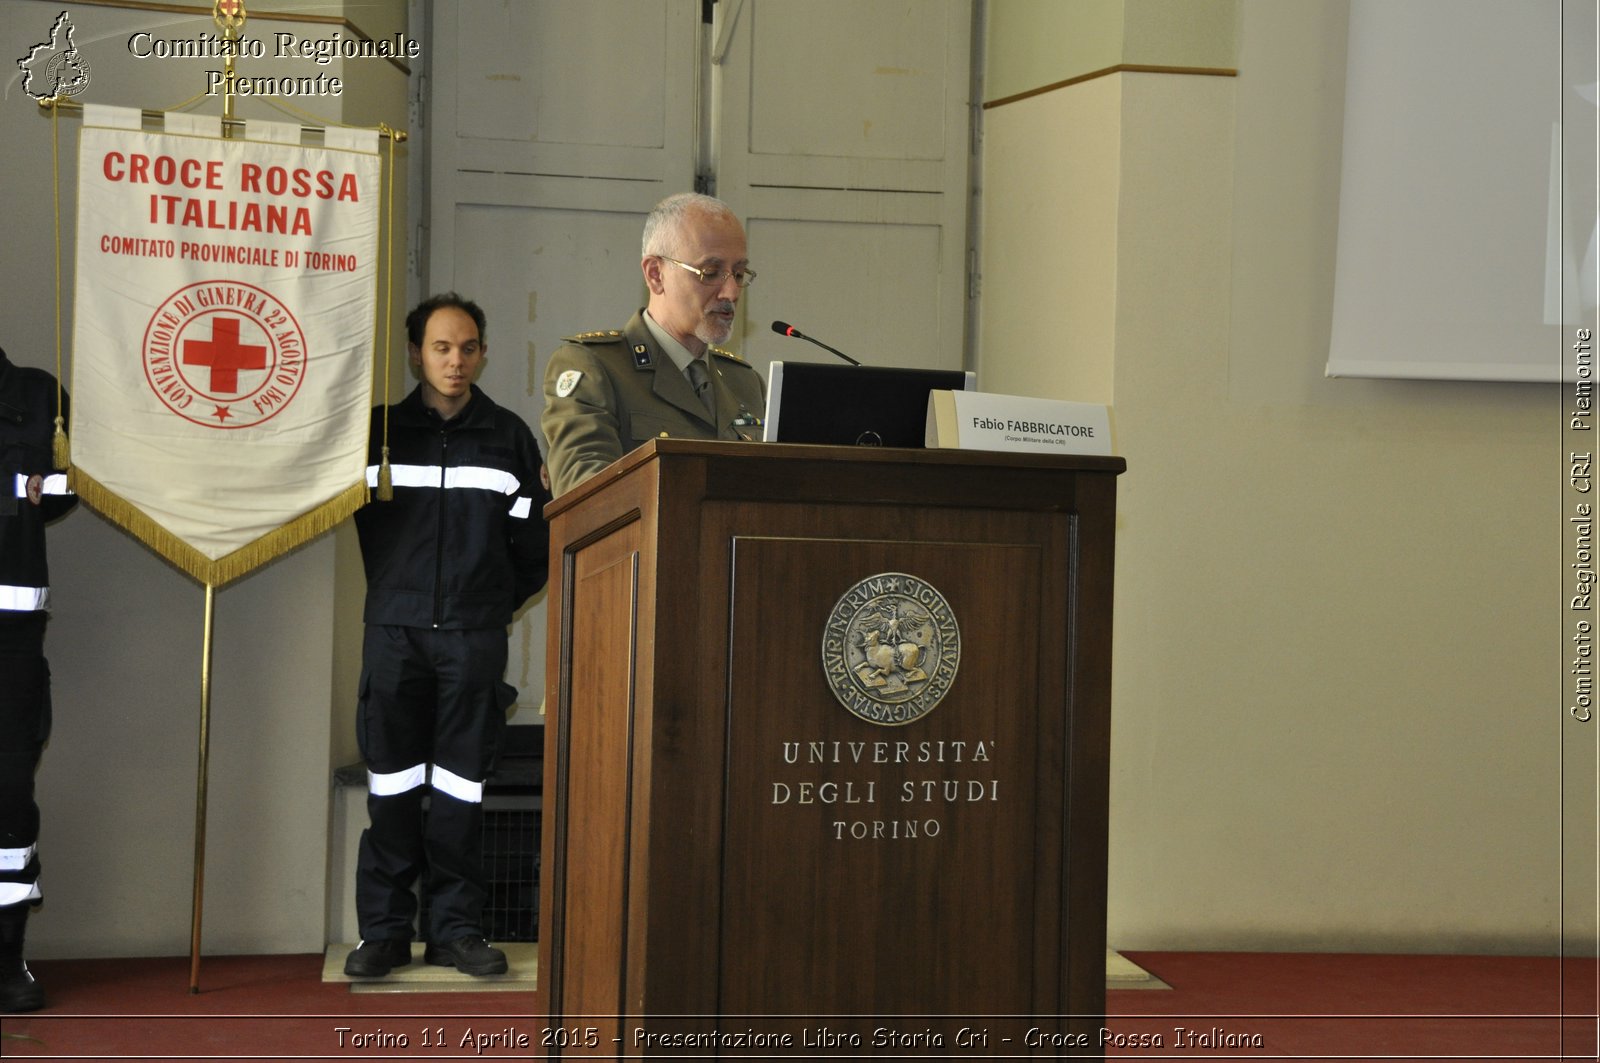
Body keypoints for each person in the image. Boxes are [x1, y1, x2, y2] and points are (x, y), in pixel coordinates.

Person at [344, 294, 550, 979]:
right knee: (392, 790)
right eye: (440, 348)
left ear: (483, 353)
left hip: (473, 636)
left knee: (462, 791)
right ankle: (383, 932)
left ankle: (457, 931)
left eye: (467, 348)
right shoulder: (375, 435)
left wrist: (484, 605)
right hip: (394, 635)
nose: (454, 361)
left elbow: (535, 546)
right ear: (416, 354)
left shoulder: (512, 439)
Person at [541, 192, 766, 497]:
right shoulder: (595, 368)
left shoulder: (745, 382)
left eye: (738, 274)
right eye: (710, 273)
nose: (731, 292)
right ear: (656, 274)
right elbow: (585, 497)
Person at [0, 345, 76, 1013]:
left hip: (11, 641)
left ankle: (5, 957)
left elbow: (73, 483)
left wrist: (36, 486)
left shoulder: (36, 394)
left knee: (8, 795)